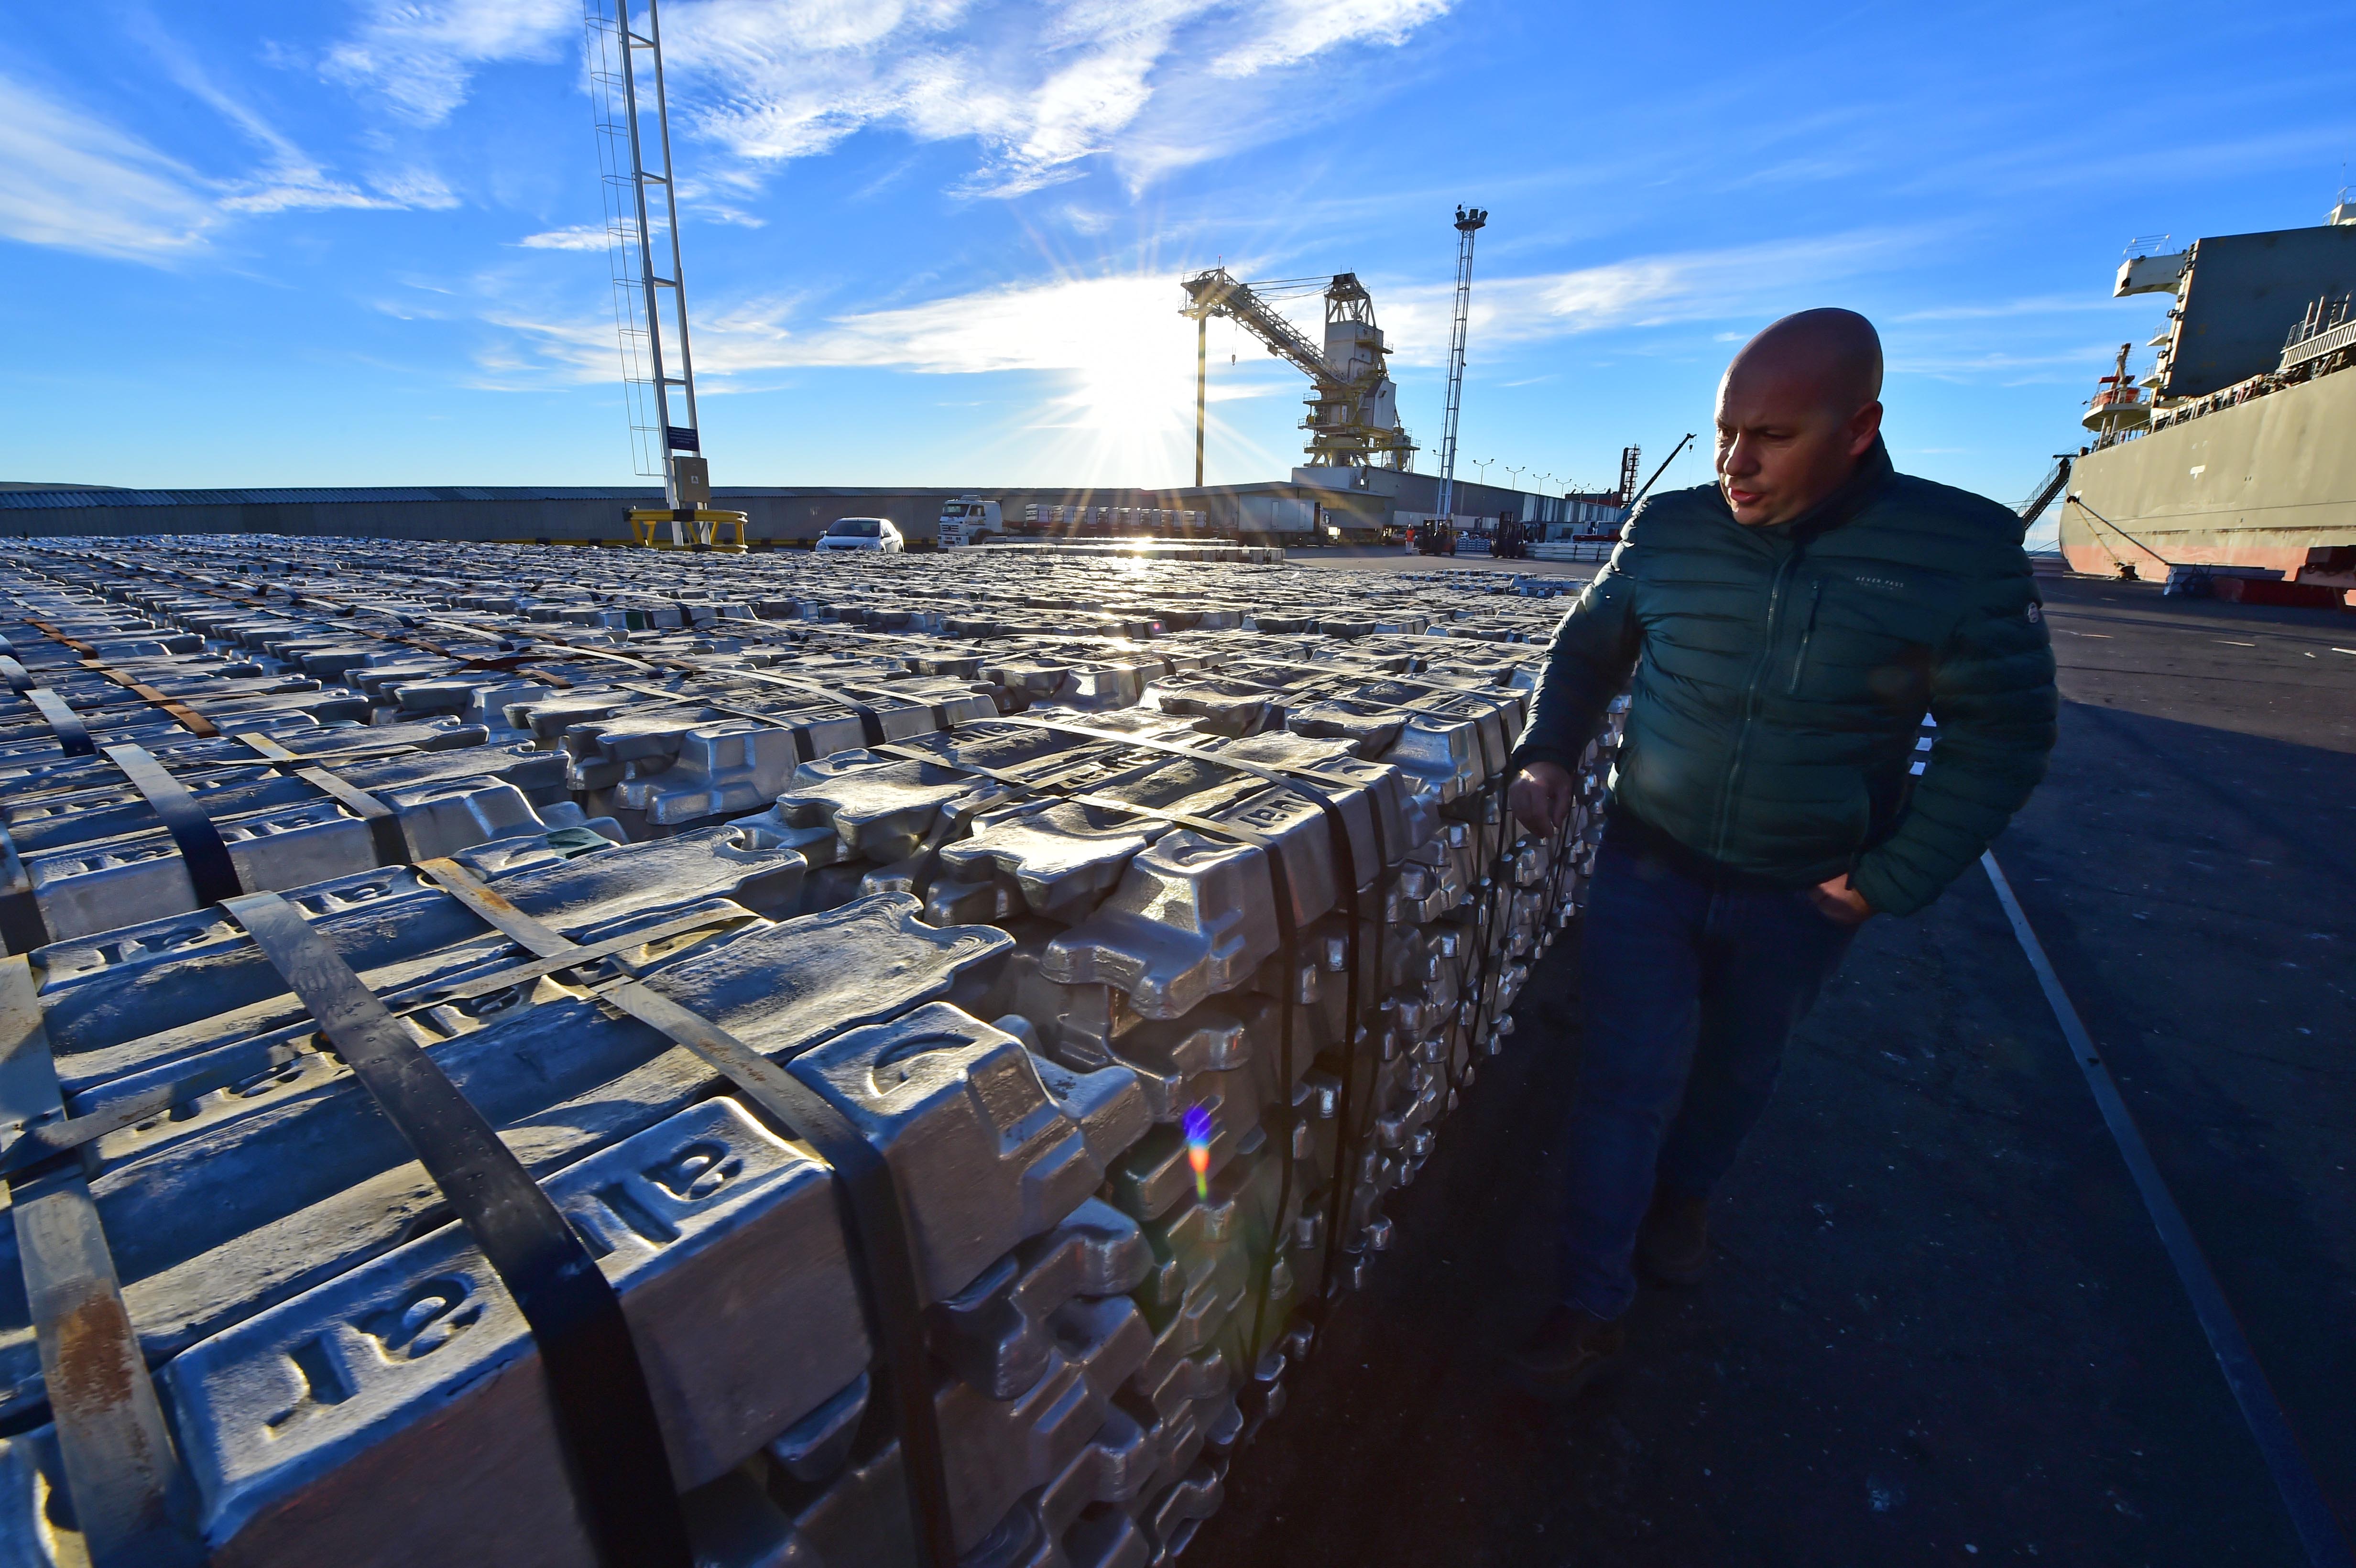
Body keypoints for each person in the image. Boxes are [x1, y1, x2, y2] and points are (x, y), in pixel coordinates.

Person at [1503, 308, 2057, 1397]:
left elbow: (2006, 737)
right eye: (1722, 433)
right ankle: (1589, 1300)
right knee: (1621, 1082)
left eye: (1769, 436)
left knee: (1736, 1071)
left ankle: (1688, 1197)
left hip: (1802, 891)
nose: (1733, 464)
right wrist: (1547, 751)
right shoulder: (1668, 531)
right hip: (1648, 864)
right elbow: (1588, 646)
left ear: (1859, 428)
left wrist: (1888, 879)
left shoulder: (1961, 553)